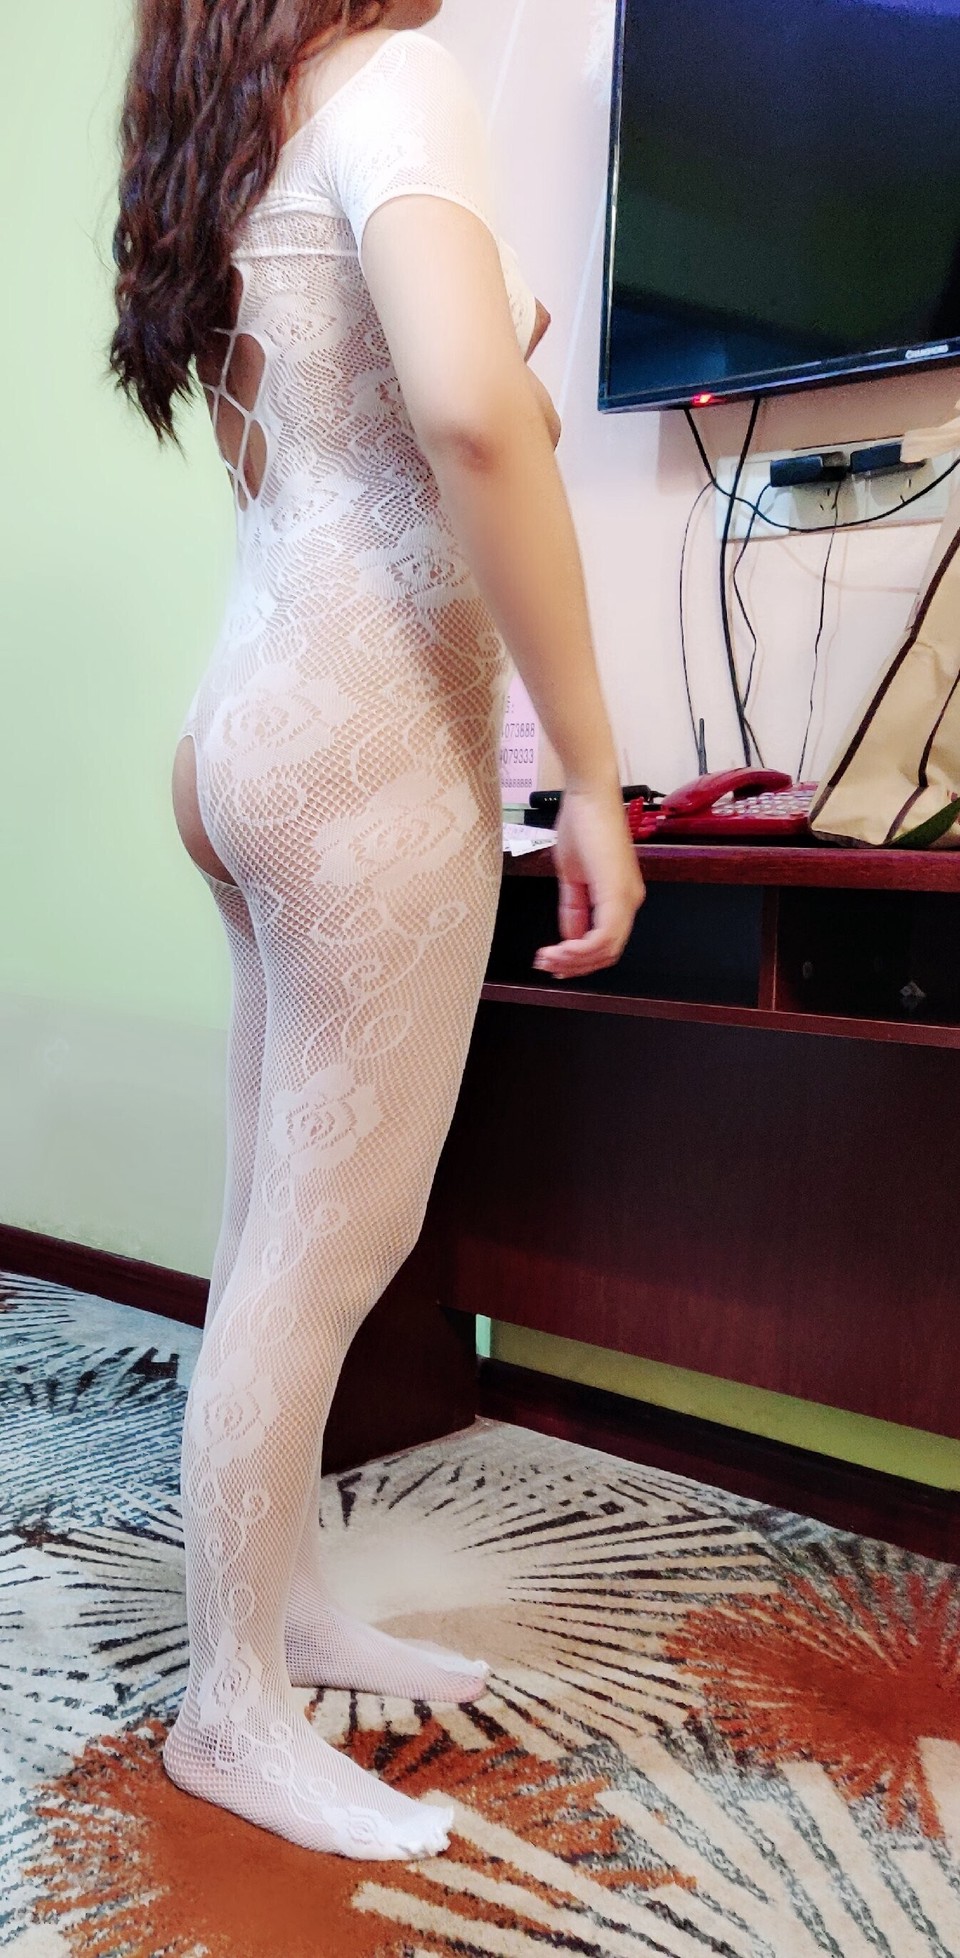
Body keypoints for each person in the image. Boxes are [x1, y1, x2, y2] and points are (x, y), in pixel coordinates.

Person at [108, 0, 644, 1863]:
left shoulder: (239, 133)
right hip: (366, 749)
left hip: (246, 718)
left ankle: (292, 1611)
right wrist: (593, 769)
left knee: (275, 1223)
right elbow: (472, 418)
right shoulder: (399, 82)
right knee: (332, 1246)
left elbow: (358, 433)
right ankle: (229, 1710)